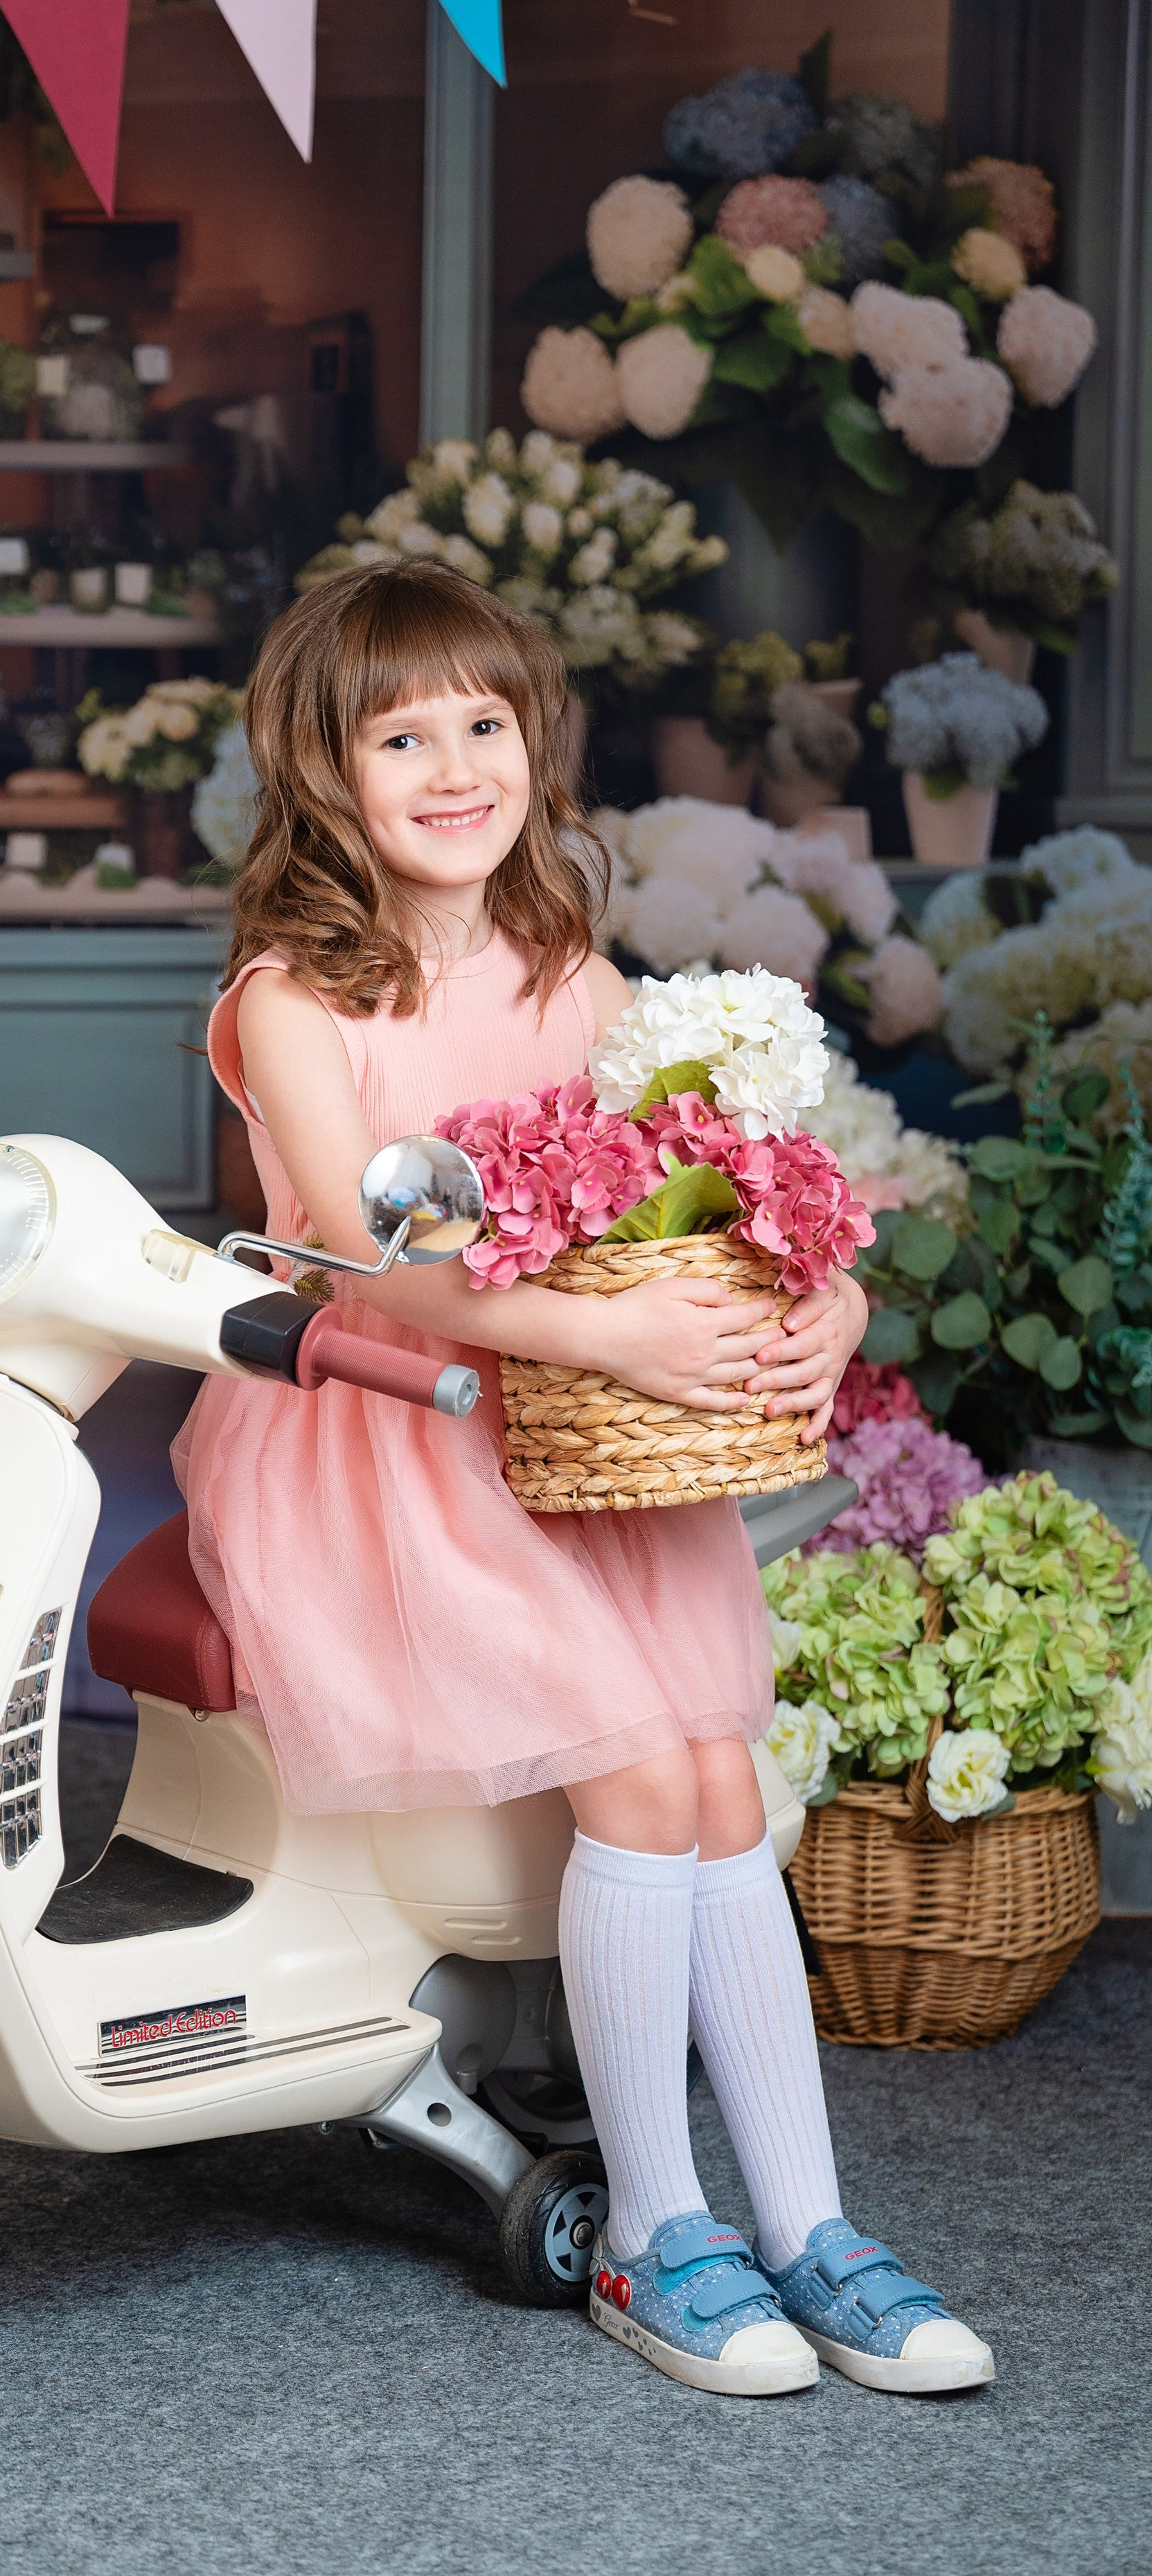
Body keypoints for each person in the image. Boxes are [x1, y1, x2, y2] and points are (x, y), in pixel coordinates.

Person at [175, 561, 993, 2400]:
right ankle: (655, 2228)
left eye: (486, 724)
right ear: (323, 768)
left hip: (578, 1445)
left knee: (719, 1776)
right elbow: (367, 1261)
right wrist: (602, 1338)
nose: (456, 767)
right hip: (394, 1433)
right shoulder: (295, 999)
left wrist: (830, 1286)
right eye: (402, 736)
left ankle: (812, 2226)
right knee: (640, 1772)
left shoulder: (575, 979)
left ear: (536, 746)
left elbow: (711, 1192)